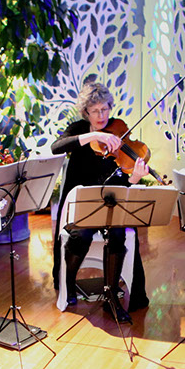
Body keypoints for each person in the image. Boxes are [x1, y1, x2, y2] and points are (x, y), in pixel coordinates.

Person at [51, 81, 151, 323]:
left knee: (117, 234)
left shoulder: (119, 133)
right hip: (80, 205)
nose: (101, 116)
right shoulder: (79, 129)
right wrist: (92, 136)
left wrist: (135, 177)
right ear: (86, 112)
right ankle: (69, 281)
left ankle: (111, 298)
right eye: (95, 111)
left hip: (109, 205)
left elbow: (123, 185)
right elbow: (57, 147)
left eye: (105, 109)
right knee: (81, 236)